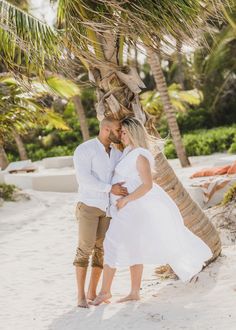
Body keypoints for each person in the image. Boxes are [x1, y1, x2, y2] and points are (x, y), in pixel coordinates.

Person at [91, 117, 213, 306]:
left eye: (124, 132)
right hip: (123, 209)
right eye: (120, 132)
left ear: (133, 132)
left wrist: (125, 200)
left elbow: (147, 185)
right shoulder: (128, 153)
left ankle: (105, 292)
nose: (120, 135)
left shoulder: (140, 154)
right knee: (133, 248)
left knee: (111, 245)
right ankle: (133, 293)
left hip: (129, 209)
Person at [73, 117, 128, 308]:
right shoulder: (84, 150)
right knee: (84, 249)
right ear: (106, 129)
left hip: (108, 209)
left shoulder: (117, 153)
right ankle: (80, 296)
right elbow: (84, 179)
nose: (120, 133)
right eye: (117, 130)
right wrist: (109, 188)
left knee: (101, 251)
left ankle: (92, 292)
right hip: (89, 206)